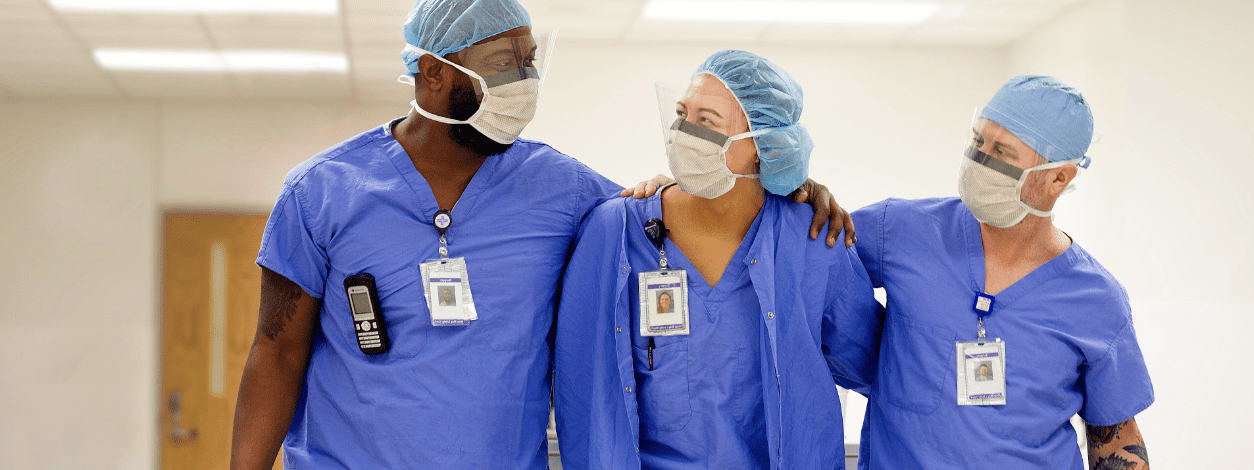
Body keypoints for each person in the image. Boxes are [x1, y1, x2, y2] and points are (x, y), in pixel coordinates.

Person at [228, 1, 854, 468]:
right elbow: (276, 351)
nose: (523, 84)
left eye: (529, 64)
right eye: (503, 66)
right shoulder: (322, 192)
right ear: (430, 74)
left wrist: (790, 183)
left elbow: (680, 210)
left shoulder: (561, 189)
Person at [553, 50, 884, 469]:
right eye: (681, 114)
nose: (684, 132)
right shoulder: (615, 232)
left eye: (707, 121)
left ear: (763, 146)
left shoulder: (810, 239)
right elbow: (586, 388)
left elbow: (886, 372)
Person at [852, 76, 1153, 469]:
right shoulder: (903, 230)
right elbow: (804, 263)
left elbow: (1115, 443)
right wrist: (802, 196)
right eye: (978, 143)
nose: (979, 161)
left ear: (1058, 178)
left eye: (1002, 153)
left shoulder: (1097, 301)